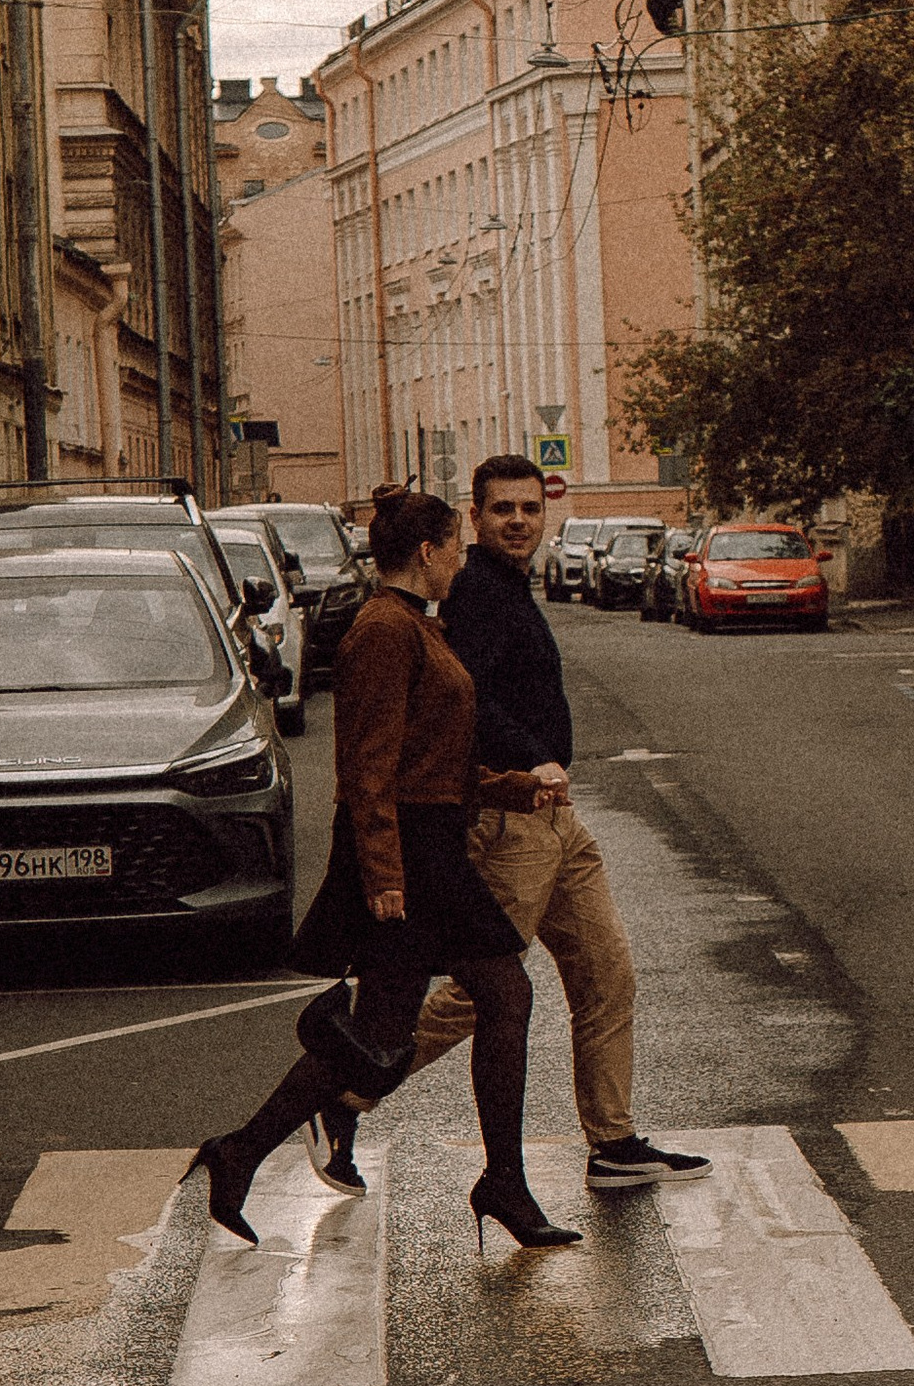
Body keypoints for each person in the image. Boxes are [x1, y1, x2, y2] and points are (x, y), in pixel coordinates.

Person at [188, 485, 580, 1252]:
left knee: (380, 1030)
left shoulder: (413, 626)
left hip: (426, 836)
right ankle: (504, 1181)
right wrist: (383, 877)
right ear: (428, 552)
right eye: (454, 549)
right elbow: (367, 769)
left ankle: (239, 1151)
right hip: (409, 850)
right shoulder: (383, 631)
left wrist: (511, 786)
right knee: (506, 992)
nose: (460, 562)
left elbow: (434, 755)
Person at [409, 453, 711, 1193]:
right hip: (515, 821)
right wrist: (534, 758)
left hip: (556, 823)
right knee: (481, 990)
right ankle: (346, 1086)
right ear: (474, 517)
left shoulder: (509, 587)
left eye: (529, 509)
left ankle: (612, 1143)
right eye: (502, 509)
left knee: (607, 975)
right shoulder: (479, 591)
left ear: (546, 515)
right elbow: (467, 700)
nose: (518, 521)